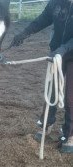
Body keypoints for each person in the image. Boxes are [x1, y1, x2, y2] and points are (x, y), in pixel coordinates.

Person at [10, 0, 73, 153]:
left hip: (69, 53)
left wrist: (62, 49)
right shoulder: (55, 3)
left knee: (70, 94)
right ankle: (46, 125)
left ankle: (70, 134)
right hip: (56, 52)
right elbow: (42, 19)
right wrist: (24, 33)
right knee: (51, 90)